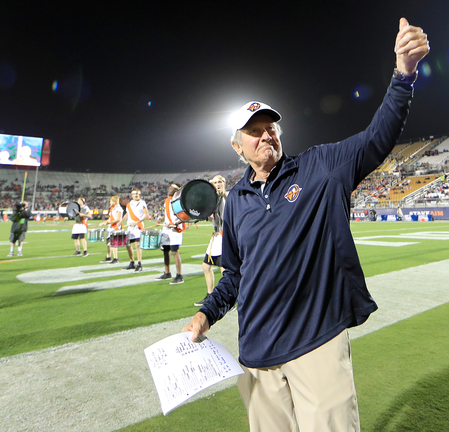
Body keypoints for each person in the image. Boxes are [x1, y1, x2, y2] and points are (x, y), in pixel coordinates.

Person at [182, 18, 429, 432]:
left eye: (270, 128)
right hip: (257, 354)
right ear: (236, 145)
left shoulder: (319, 167)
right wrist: (206, 314)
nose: (266, 135)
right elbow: (235, 275)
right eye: (254, 131)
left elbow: (376, 139)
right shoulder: (236, 201)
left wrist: (403, 75)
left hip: (317, 341)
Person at [194, 175, 228, 307]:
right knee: (206, 266)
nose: (217, 184)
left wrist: (223, 194)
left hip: (225, 236)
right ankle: (210, 295)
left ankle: (228, 298)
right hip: (216, 236)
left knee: (224, 269)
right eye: (214, 183)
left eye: (220, 182)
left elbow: (231, 203)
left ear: (224, 183)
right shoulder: (212, 200)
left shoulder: (228, 195)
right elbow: (213, 218)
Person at [156, 184, 187, 284]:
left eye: (171, 188)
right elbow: (167, 214)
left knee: (174, 251)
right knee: (165, 250)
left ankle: (179, 275)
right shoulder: (167, 200)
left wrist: (175, 224)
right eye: (169, 188)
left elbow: (185, 214)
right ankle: (167, 272)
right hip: (166, 228)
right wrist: (161, 220)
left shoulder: (180, 200)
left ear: (177, 190)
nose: (169, 190)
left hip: (175, 229)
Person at [124, 188, 149, 272]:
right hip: (130, 227)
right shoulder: (129, 204)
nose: (135, 195)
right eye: (134, 194)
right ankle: (132, 262)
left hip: (138, 226)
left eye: (137, 194)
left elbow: (146, 215)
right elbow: (128, 214)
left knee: (137, 245)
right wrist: (121, 221)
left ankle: (139, 263)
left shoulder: (142, 203)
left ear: (140, 195)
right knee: (128, 244)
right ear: (131, 195)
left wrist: (138, 222)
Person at [98, 195, 124, 264]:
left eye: (111, 201)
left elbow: (118, 219)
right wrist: (104, 222)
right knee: (108, 242)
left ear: (115, 202)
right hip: (111, 226)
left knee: (113, 243)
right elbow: (110, 218)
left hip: (116, 227)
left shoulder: (119, 208)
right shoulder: (112, 208)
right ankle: (108, 256)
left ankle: (116, 258)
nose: (110, 202)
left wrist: (108, 222)